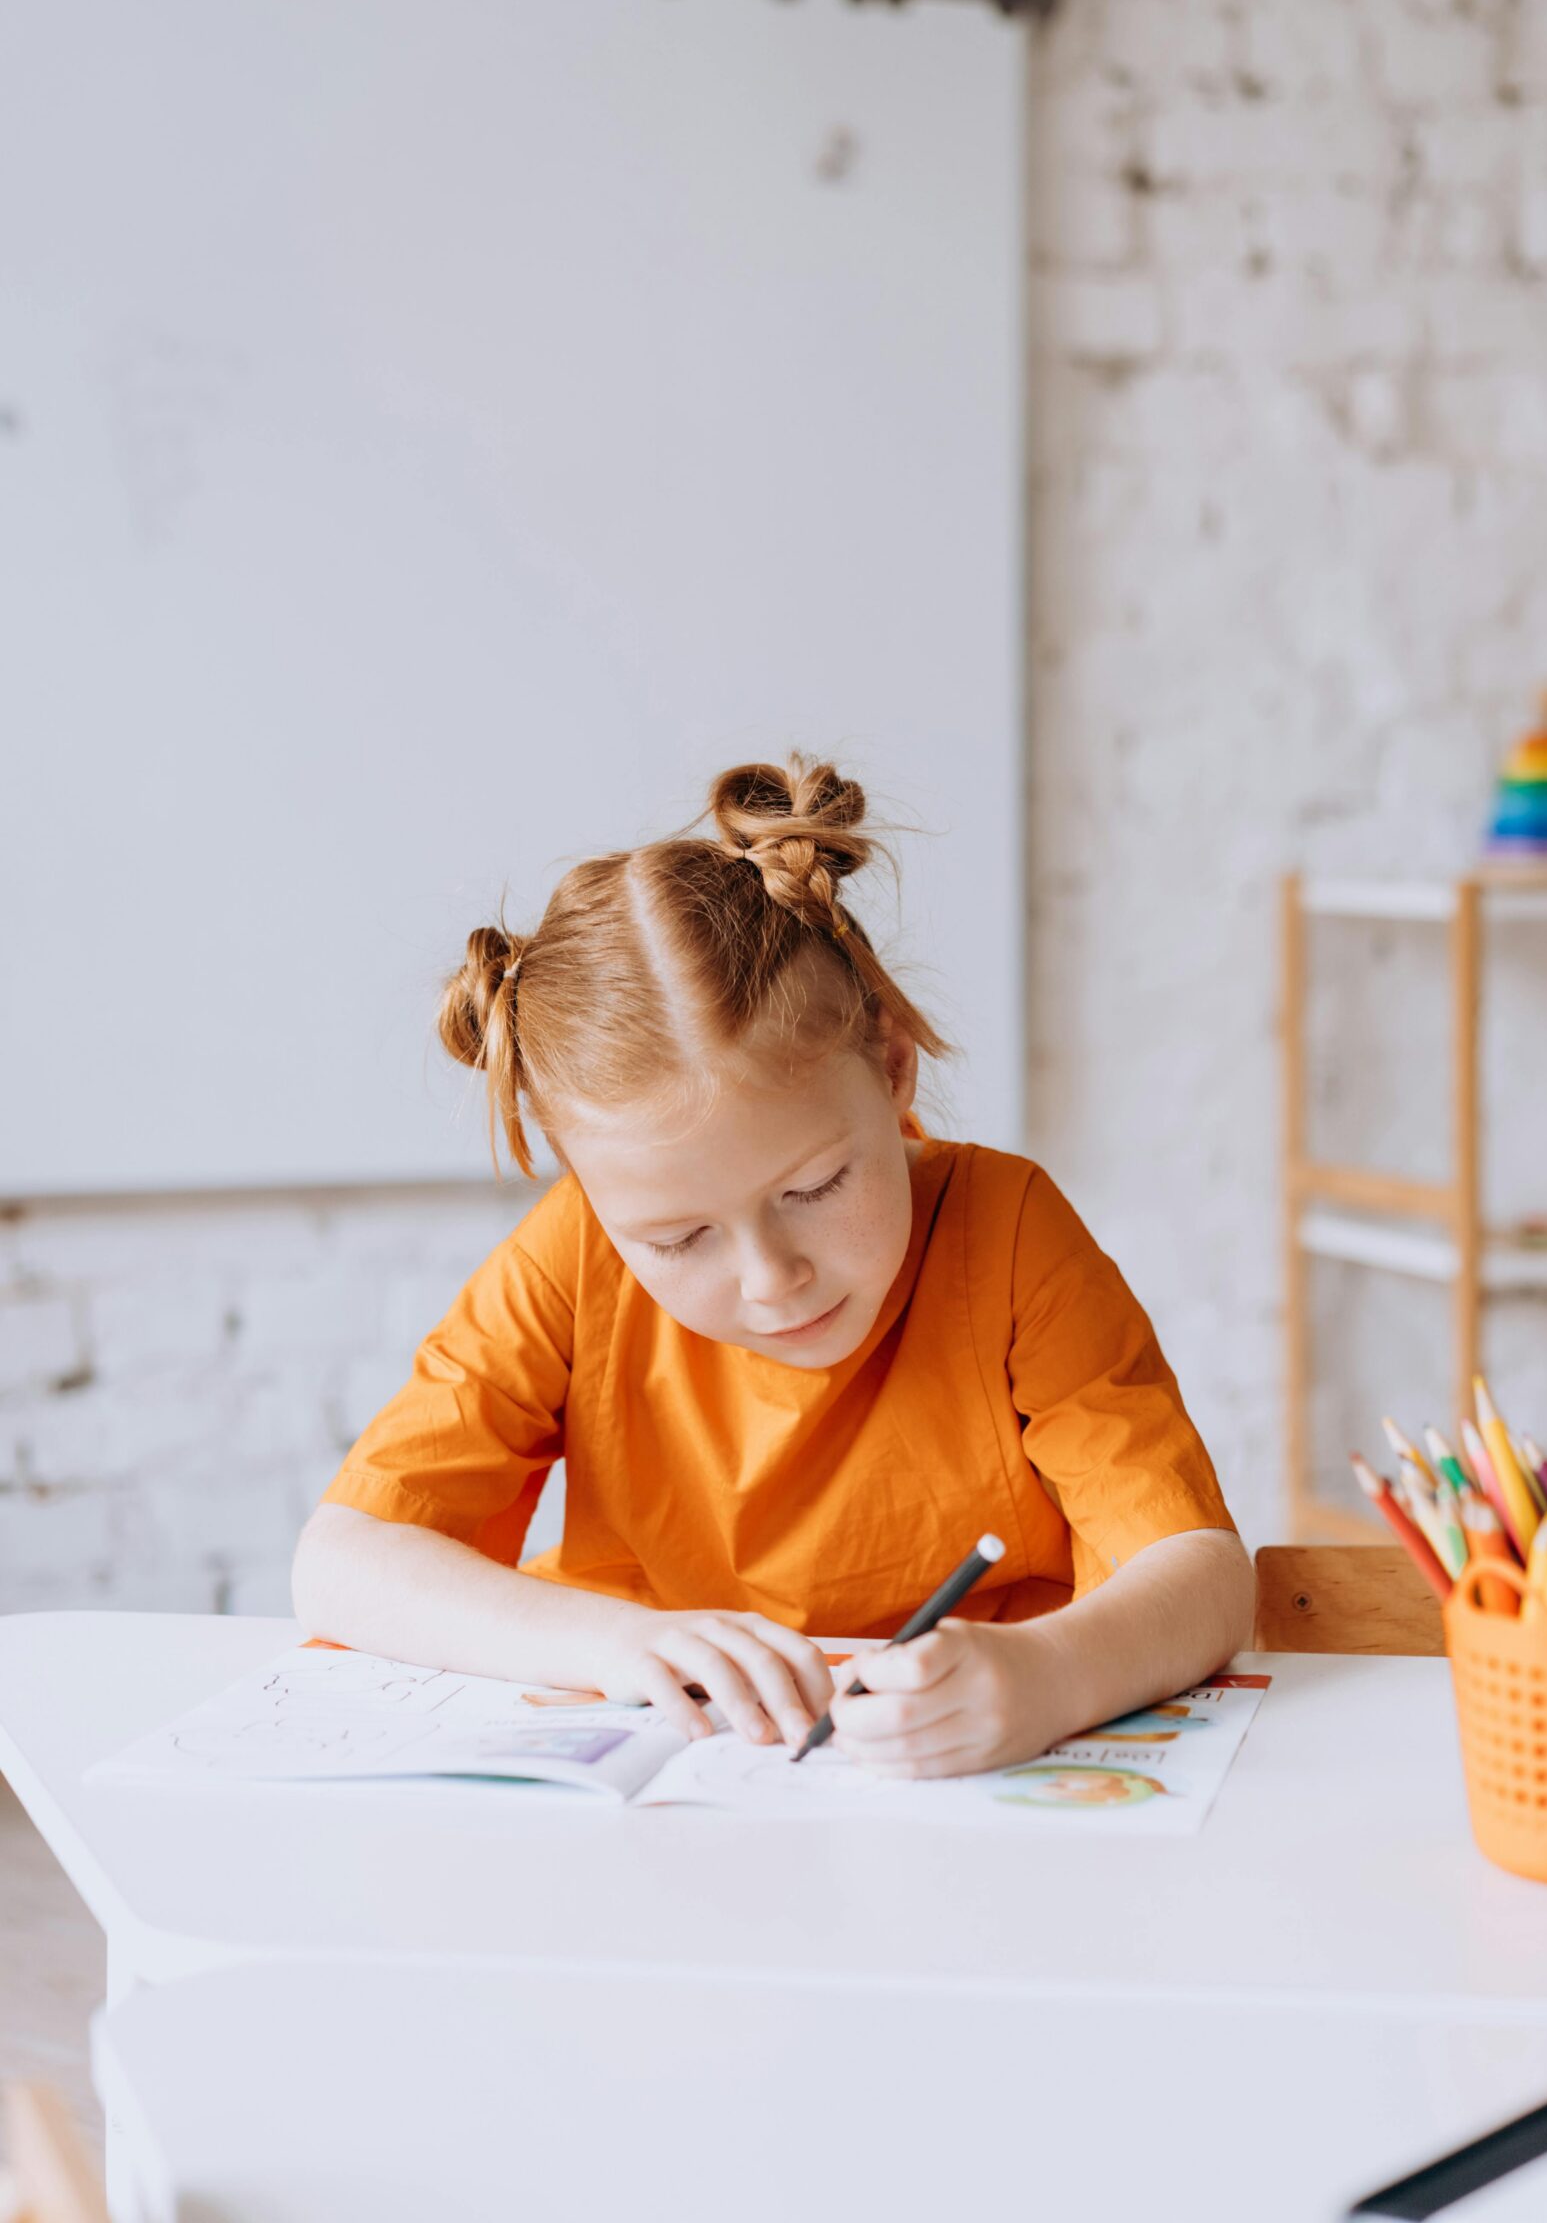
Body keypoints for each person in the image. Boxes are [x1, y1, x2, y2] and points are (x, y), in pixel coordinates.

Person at [293, 758, 1252, 1778]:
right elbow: (343, 1564)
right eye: (678, 1241)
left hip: (961, 1784)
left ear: (890, 1071)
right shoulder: (573, 1252)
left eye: (813, 1189)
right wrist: (617, 1643)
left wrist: (1048, 1676)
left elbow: (1201, 1574)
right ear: (592, 1191)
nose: (770, 1278)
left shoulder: (1005, 1231)